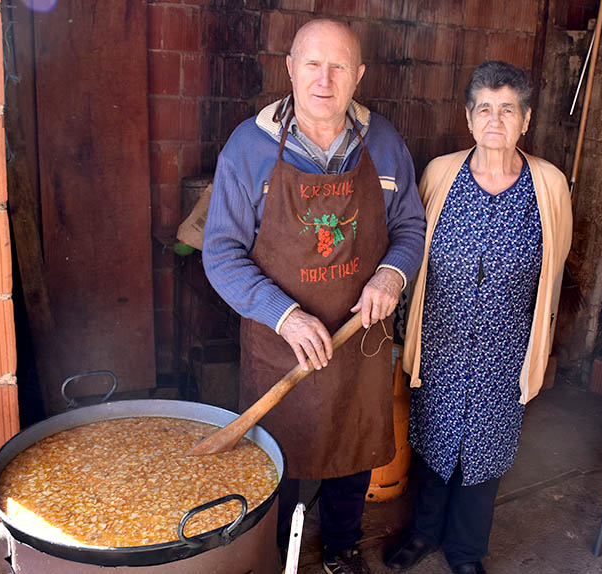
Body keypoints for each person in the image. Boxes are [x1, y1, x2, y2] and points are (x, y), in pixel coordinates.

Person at [202, 18, 426, 574]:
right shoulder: (248, 147)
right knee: (273, 455)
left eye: (339, 67)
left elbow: (412, 229)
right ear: (290, 68)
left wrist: (392, 276)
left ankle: (344, 546)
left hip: (359, 340)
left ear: (359, 76)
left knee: (353, 446)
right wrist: (284, 315)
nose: (324, 80)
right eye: (312, 64)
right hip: (282, 344)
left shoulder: (386, 144)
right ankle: (271, 550)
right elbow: (221, 254)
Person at [383, 61, 573, 574]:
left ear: (525, 119)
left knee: (486, 454)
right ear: (468, 118)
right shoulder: (441, 174)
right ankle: (423, 534)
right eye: (484, 108)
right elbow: (412, 246)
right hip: (442, 339)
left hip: (504, 347)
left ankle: (466, 552)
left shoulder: (549, 184)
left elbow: (555, 266)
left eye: (507, 109)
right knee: (434, 440)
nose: (495, 119)